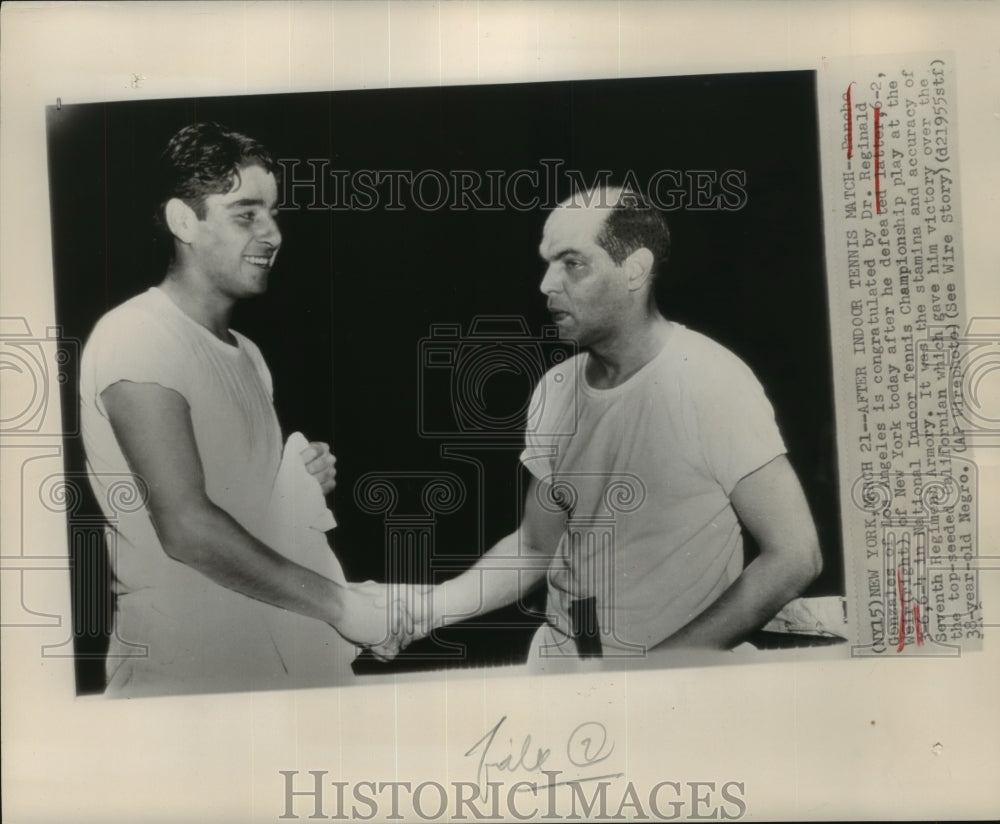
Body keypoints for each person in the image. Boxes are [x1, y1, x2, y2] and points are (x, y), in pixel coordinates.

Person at [402, 185, 823, 663]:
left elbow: (795, 556)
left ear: (635, 270)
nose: (545, 284)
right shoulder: (556, 387)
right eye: (546, 262)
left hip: (672, 683)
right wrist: (427, 610)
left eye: (572, 263)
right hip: (560, 662)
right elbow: (536, 544)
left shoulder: (710, 380)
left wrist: (660, 671)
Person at [79, 122, 397, 697]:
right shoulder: (137, 334)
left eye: (273, 214)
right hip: (179, 679)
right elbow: (187, 528)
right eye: (245, 214)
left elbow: (244, 516)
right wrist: (340, 606)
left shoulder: (247, 355)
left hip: (264, 665)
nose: (272, 233)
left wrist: (294, 486)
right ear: (183, 222)